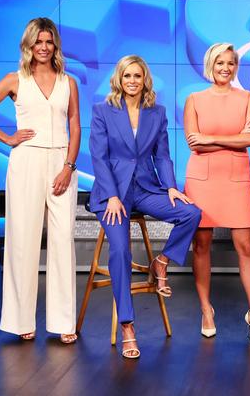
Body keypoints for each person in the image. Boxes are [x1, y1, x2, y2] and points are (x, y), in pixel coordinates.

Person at [89, 55, 201, 358]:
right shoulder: (103, 111)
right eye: (127, 76)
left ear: (145, 80)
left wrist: (172, 188)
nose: (132, 81)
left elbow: (162, 156)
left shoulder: (157, 112)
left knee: (191, 212)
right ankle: (127, 325)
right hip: (112, 193)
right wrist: (111, 195)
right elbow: (98, 157)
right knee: (121, 250)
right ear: (119, 79)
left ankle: (161, 263)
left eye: (137, 76)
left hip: (145, 188)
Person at [0, 17, 79, 344]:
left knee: (63, 240)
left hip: (61, 163)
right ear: (29, 45)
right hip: (26, 161)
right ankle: (21, 319)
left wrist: (68, 165)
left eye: (49, 42)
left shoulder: (69, 82)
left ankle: (64, 320)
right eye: (38, 42)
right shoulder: (15, 80)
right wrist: (7, 138)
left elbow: (75, 127)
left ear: (55, 46)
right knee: (22, 241)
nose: (43, 47)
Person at [184, 43, 250, 343]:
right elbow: (195, 144)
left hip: (236, 178)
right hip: (202, 180)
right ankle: (206, 310)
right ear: (210, 64)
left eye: (231, 63)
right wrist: (234, 140)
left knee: (245, 245)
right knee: (202, 244)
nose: (225, 68)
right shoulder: (194, 99)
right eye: (220, 63)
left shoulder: (246, 98)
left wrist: (212, 138)